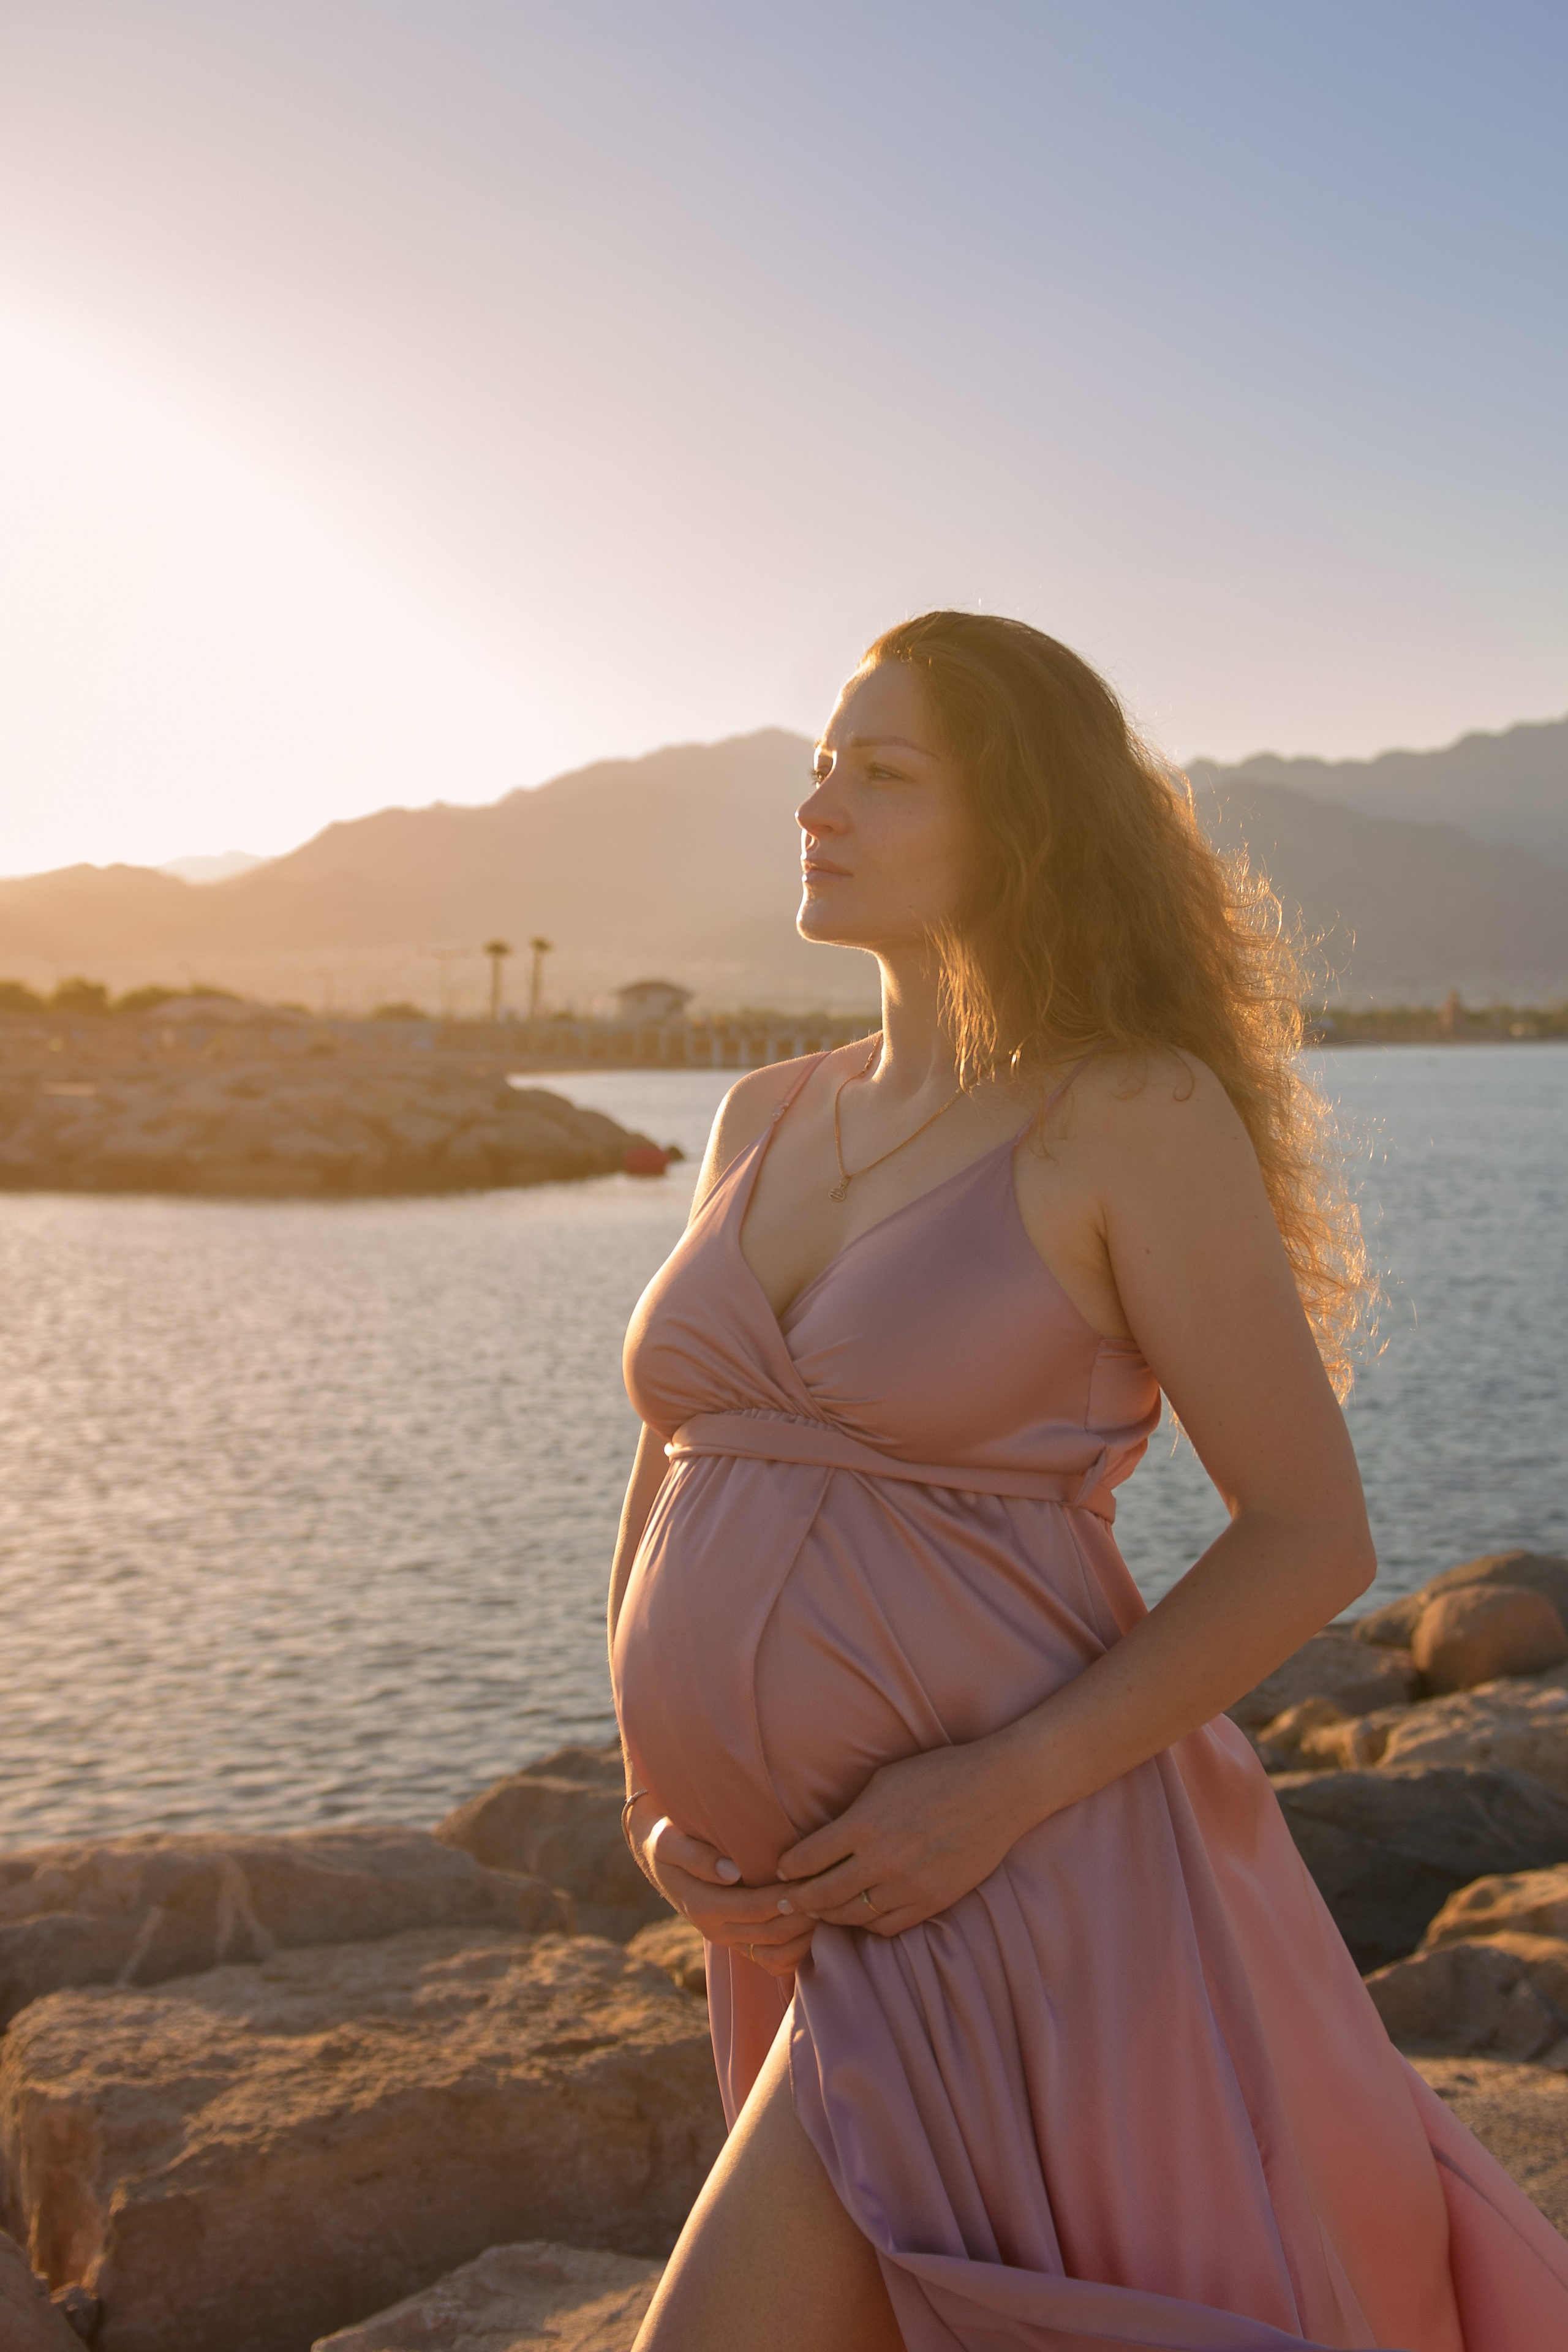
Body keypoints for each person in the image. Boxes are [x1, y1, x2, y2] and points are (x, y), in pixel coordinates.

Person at [608, 612, 1568, 2350]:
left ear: (1025, 824)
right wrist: (650, 1805)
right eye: (822, 765)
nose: (821, 805)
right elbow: (680, 1455)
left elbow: (1309, 1534)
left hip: (1019, 1876)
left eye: (886, 774)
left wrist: (1000, 1787)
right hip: (798, 1899)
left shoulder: (1123, 1113)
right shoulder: (759, 1115)